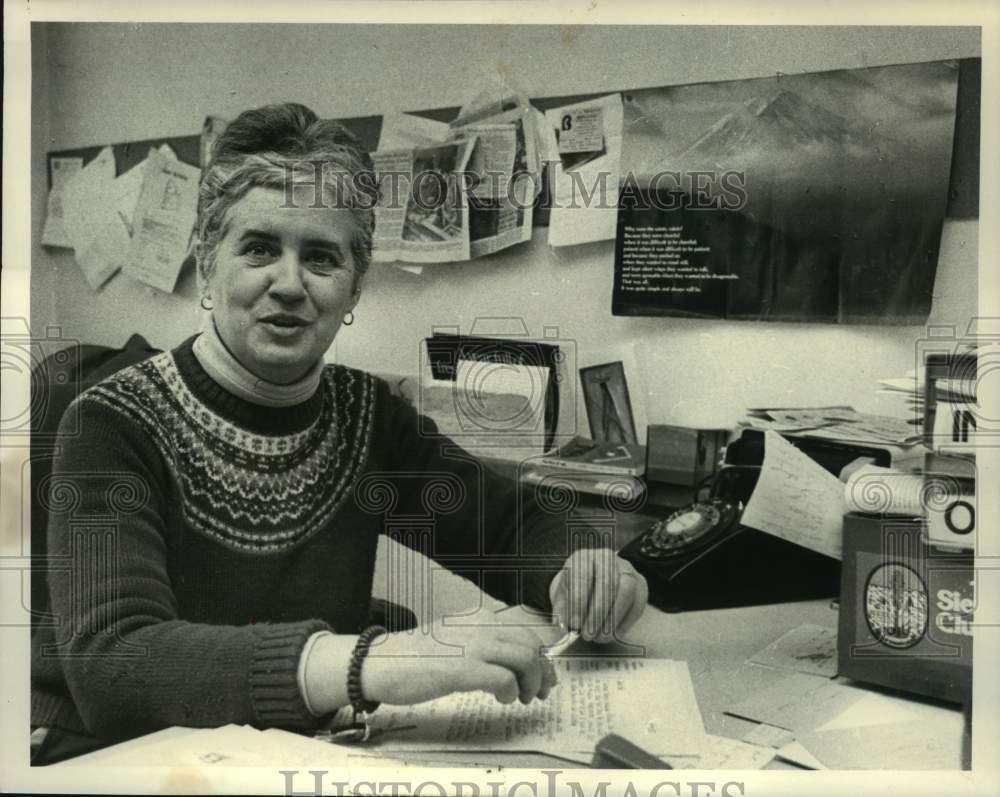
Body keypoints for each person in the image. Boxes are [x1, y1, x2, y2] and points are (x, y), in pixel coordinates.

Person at [30, 102, 648, 763]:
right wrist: (368, 661)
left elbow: (507, 528)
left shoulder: (366, 417)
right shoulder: (108, 422)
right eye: (260, 247)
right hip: (125, 761)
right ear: (208, 262)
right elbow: (114, 664)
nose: (290, 284)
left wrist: (581, 567)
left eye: (321, 256)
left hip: (303, 755)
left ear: (355, 289)